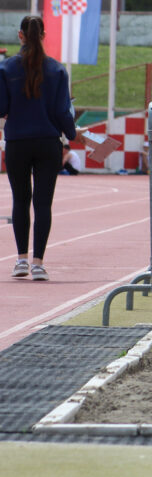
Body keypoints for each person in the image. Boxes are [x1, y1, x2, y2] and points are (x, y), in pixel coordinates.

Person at [1, 16, 77, 281]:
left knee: (20, 200)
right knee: (43, 203)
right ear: (43, 35)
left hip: (17, 142)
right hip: (48, 142)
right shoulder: (57, 70)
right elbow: (62, 111)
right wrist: (72, 134)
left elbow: (1, 107)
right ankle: (38, 263)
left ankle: (21, 260)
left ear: (20, 35)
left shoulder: (6, 68)